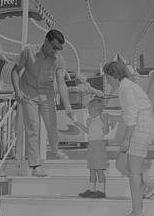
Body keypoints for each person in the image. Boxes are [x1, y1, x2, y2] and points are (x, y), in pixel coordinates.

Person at [11, 29, 73, 177]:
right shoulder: (28, 51)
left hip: (47, 95)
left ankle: (56, 151)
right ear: (46, 41)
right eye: (55, 47)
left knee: (52, 124)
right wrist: (17, 90)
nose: (56, 51)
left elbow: (61, 83)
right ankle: (35, 165)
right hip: (29, 93)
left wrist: (68, 105)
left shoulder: (59, 59)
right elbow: (15, 70)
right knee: (33, 127)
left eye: (59, 48)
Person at [103, 61, 154, 216]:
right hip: (143, 126)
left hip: (140, 128)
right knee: (121, 164)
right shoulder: (127, 87)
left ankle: (137, 212)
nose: (107, 82)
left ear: (114, 75)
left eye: (107, 78)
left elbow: (133, 116)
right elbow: (129, 115)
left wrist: (126, 139)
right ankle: (150, 184)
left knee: (134, 171)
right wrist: (111, 117)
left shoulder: (125, 88)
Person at [73, 98, 110, 198]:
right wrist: (80, 125)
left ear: (96, 109)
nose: (88, 112)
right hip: (92, 146)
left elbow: (106, 131)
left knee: (99, 170)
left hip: (99, 147)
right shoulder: (91, 121)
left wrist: (106, 123)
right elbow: (89, 131)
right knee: (92, 169)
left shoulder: (102, 119)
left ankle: (101, 191)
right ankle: (91, 189)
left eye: (90, 110)